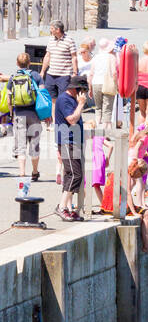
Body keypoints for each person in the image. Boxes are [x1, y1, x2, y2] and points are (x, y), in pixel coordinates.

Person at [5, 53, 44, 181]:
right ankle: (34, 171)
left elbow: (9, 99)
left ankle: (22, 173)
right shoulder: (36, 75)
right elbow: (43, 95)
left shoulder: (13, 77)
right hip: (34, 113)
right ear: (30, 63)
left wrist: (11, 114)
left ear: (17, 63)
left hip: (19, 114)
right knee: (34, 145)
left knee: (21, 145)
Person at [54, 76, 88, 221]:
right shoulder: (65, 99)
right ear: (77, 89)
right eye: (83, 90)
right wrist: (81, 105)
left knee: (71, 174)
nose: (84, 94)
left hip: (74, 141)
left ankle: (67, 207)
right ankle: (62, 207)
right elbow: (72, 120)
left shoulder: (71, 99)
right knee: (75, 175)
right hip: (68, 141)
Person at [41, 20, 79, 102]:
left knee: (63, 98)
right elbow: (47, 56)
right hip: (51, 74)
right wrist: (42, 71)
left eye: (51, 28)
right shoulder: (51, 40)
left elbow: (74, 57)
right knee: (51, 99)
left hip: (64, 75)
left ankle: (62, 115)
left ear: (57, 30)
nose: (50, 30)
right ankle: (54, 115)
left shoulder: (69, 40)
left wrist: (75, 72)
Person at [87, 38, 116, 120]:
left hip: (96, 83)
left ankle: (97, 128)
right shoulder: (111, 57)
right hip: (107, 83)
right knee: (107, 110)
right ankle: (106, 130)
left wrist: (90, 88)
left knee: (98, 108)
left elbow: (91, 74)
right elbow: (114, 72)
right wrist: (116, 84)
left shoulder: (96, 57)